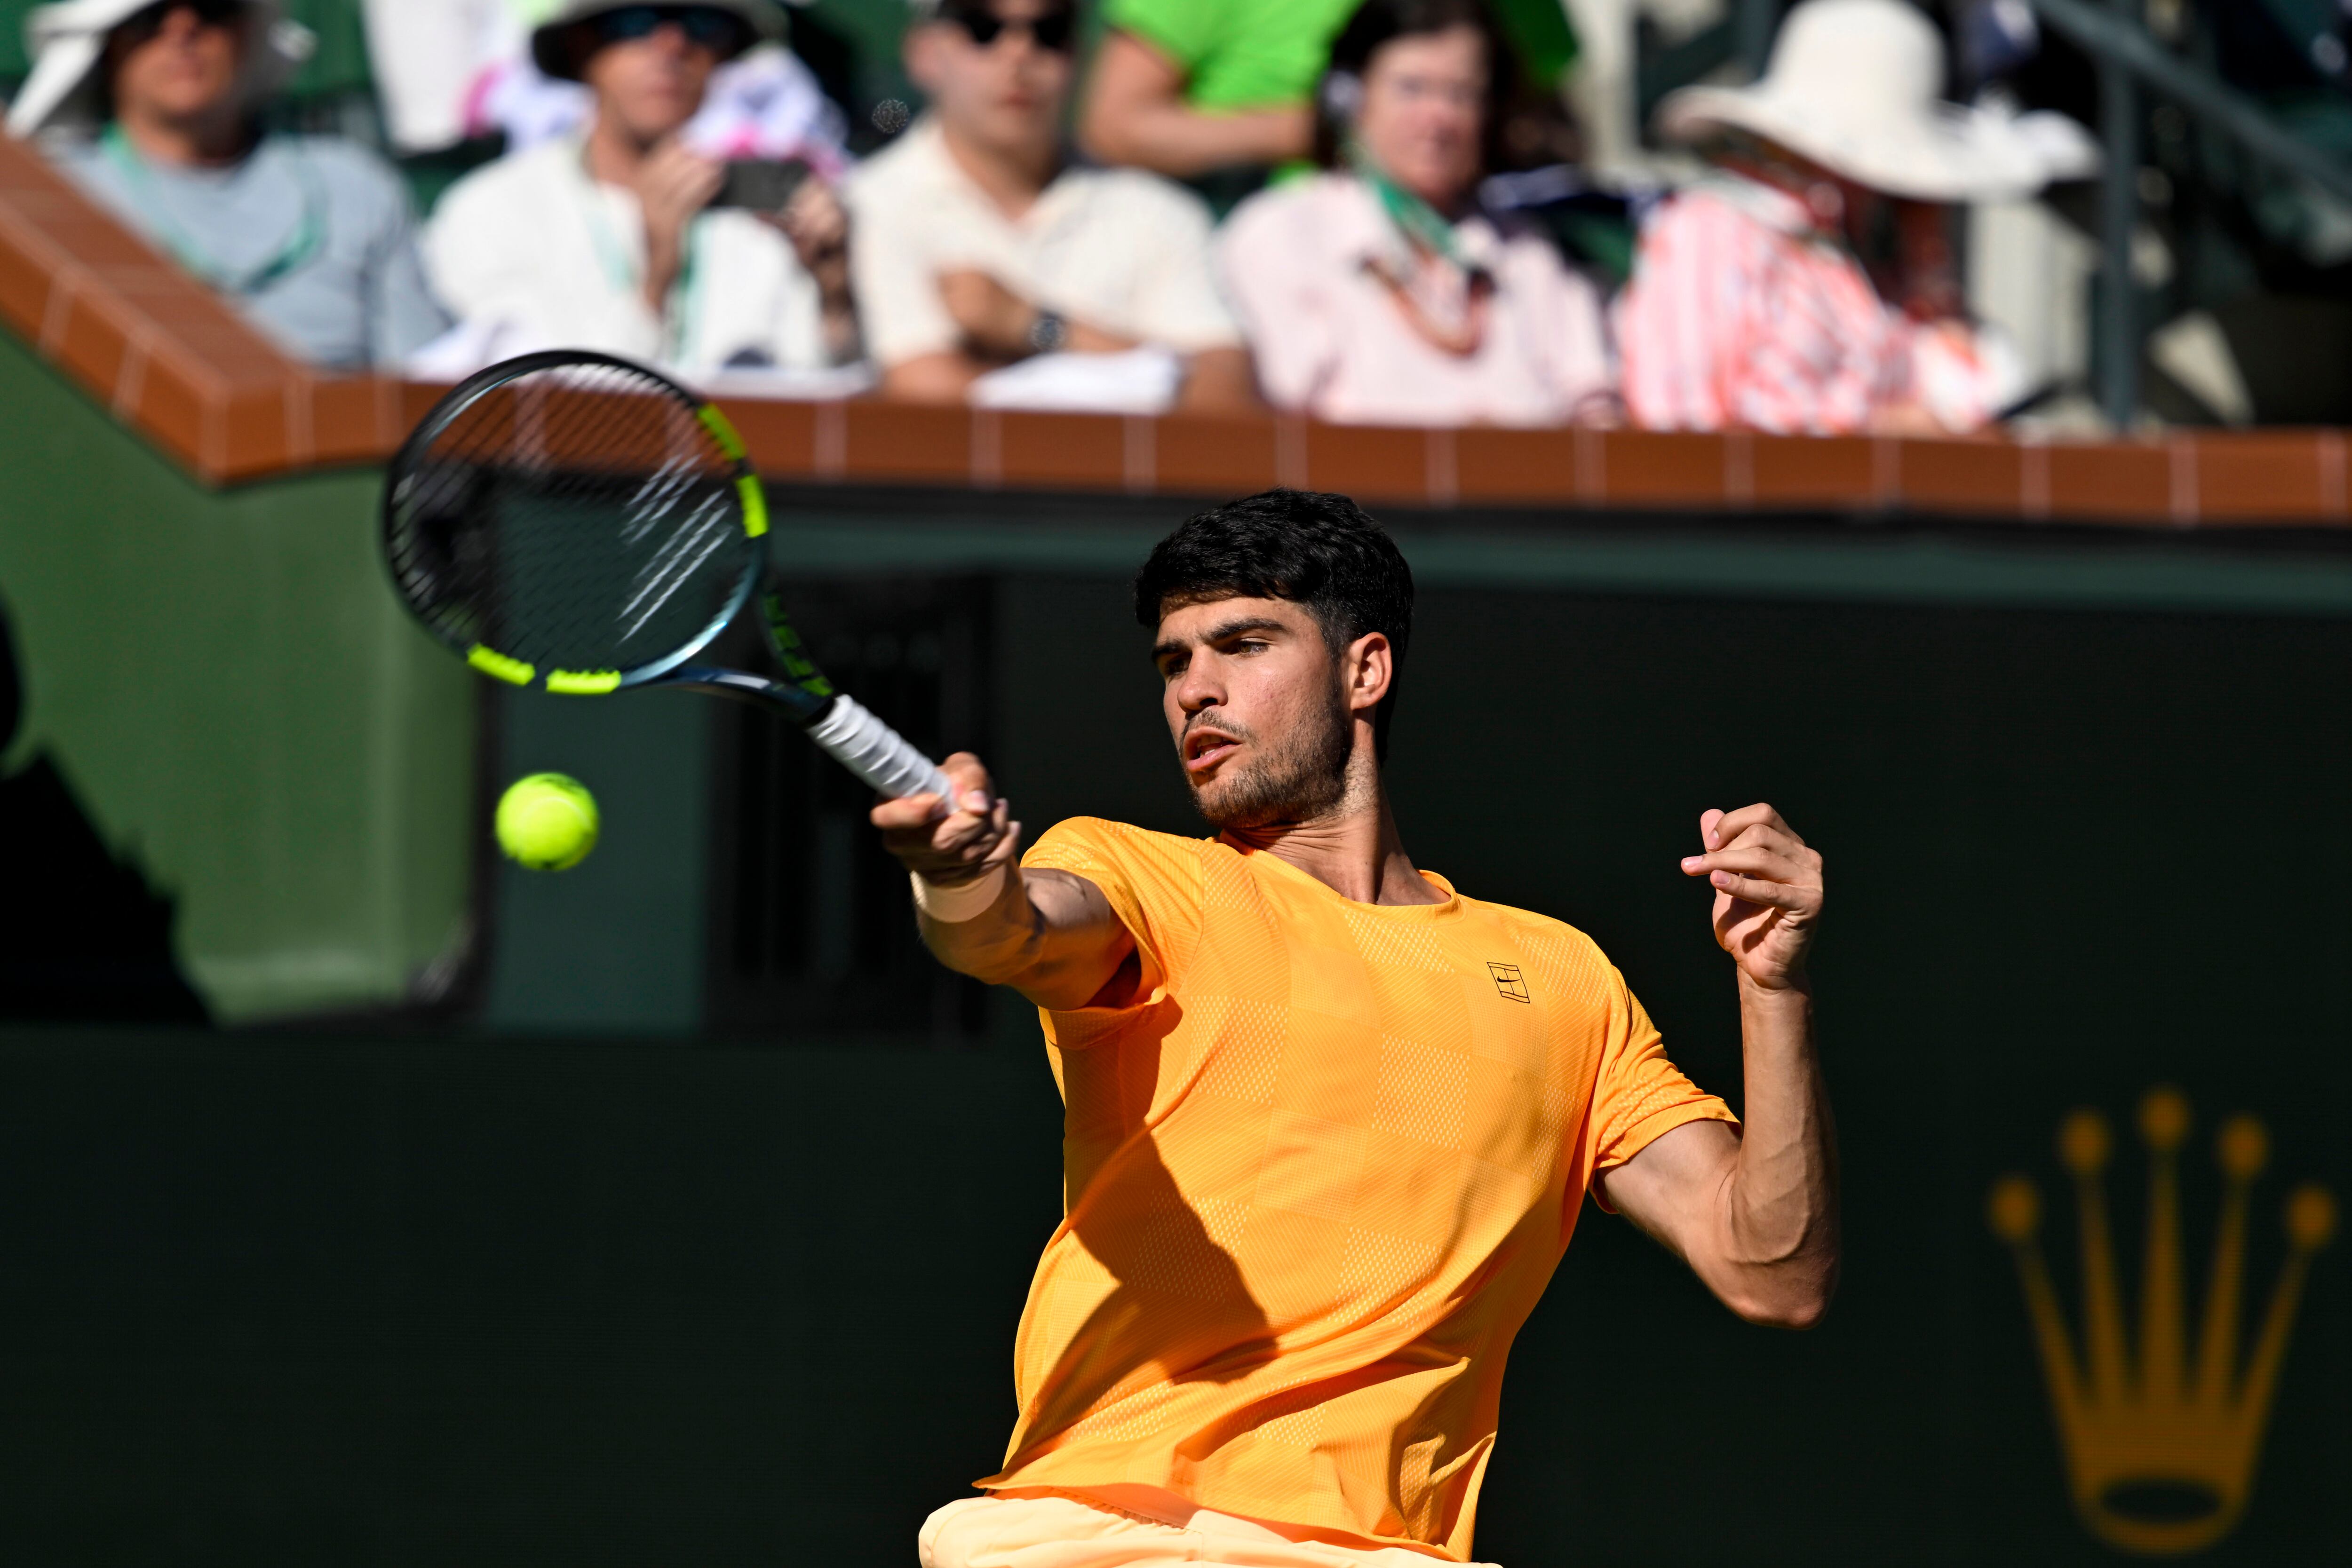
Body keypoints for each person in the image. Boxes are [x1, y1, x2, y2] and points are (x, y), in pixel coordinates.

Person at [874, 489, 1838, 1568]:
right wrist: (953, 879)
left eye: (1242, 644)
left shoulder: (1566, 981)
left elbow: (1772, 1269)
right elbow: (1008, 932)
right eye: (1173, 661)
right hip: (1110, 1539)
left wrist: (1773, 985)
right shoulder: (1143, 879)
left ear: (1363, 668)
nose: (1197, 688)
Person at [1614, 0, 2085, 435]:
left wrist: (1928, 264)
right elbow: (1676, 424)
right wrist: (1866, 434)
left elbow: (1982, 400)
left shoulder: (1873, 277)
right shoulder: (1712, 232)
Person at [1216, 0, 1615, 427]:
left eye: (1462, 94)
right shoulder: (1282, 236)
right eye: (1411, 88)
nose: (1439, 118)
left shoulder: (1524, 254)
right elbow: (1277, 428)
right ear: (1347, 99)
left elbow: (1596, 416)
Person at [846, 0, 1255, 414]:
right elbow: (924, 397)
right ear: (924, 52)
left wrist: (1036, 325)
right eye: (983, 28)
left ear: (1079, 54)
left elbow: (1223, 396)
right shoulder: (866, 204)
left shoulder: (1160, 213)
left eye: (1050, 31)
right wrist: (1140, 377)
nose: (1019, 54)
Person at [7, 0, 449, 370]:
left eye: (211, 7)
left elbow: (421, 382)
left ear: (247, 30)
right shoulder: (53, 198)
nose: (182, 31)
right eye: (149, 18)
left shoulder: (357, 187)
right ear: (107, 47)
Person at [424, 0, 857, 375]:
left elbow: (817, 407)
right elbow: (532, 410)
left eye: (702, 26)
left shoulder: (760, 207)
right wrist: (655, 279)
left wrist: (834, 295)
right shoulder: (490, 209)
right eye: (634, 21)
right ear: (580, 47)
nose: (672, 47)